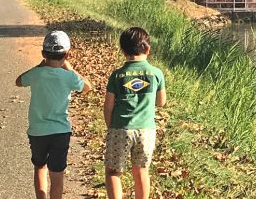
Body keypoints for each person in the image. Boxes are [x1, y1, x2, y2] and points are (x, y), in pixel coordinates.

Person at [16, 30, 92, 199]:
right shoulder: (69, 77)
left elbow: (19, 81)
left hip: (37, 131)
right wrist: (71, 68)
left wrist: (40, 65)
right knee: (57, 174)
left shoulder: (36, 74)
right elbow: (88, 87)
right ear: (67, 54)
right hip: (61, 132)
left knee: (40, 167)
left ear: (43, 54)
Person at [104, 27, 167, 199]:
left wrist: (111, 127)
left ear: (123, 50)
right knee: (141, 171)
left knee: (113, 172)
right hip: (146, 131)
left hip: (121, 128)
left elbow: (108, 106)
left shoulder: (117, 75)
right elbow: (161, 102)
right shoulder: (156, 74)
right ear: (148, 49)